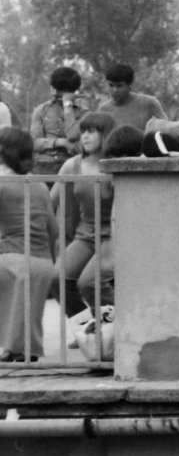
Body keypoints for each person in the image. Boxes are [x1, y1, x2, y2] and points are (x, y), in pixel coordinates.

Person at [52, 111, 121, 321]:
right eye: (83, 132)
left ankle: (122, 324)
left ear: (106, 134)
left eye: (91, 132)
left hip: (113, 235)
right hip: (86, 235)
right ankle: (85, 325)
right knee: (57, 278)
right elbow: (50, 200)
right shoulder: (72, 165)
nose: (85, 137)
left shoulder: (118, 165)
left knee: (89, 283)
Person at [0, 127, 58, 362]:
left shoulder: (1, 184)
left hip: (11, 260)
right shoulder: (40, 185)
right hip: (43, 263)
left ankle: (11, 348)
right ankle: (23, 349)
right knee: (25, 307)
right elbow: (54, 230)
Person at [29, 66, 86, 177]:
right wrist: (60, 142)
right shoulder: (41, 110)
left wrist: (67, 105)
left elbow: (72, 136)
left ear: (72, 91)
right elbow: (34, 143)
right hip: (43, 167)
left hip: (70, 167)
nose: (54, 93)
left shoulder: (84, 113)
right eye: (53, 88)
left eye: (60, 90)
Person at [101, 64, 166, 135]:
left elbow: (166, 127)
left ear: (129, 85)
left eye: (119, 86)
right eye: (111, 85)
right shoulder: (104, 109)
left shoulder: (148, 103)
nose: (115, 90)